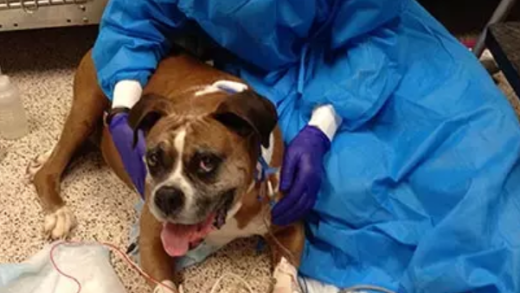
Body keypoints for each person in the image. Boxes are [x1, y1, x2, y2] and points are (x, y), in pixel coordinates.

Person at [92, 0, 520, 292]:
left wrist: (322, 127)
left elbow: (371, 32)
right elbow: (133, 17)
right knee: (350, 188)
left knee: (480, 144)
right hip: (261, 71)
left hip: (367, 46)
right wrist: (124, 105)